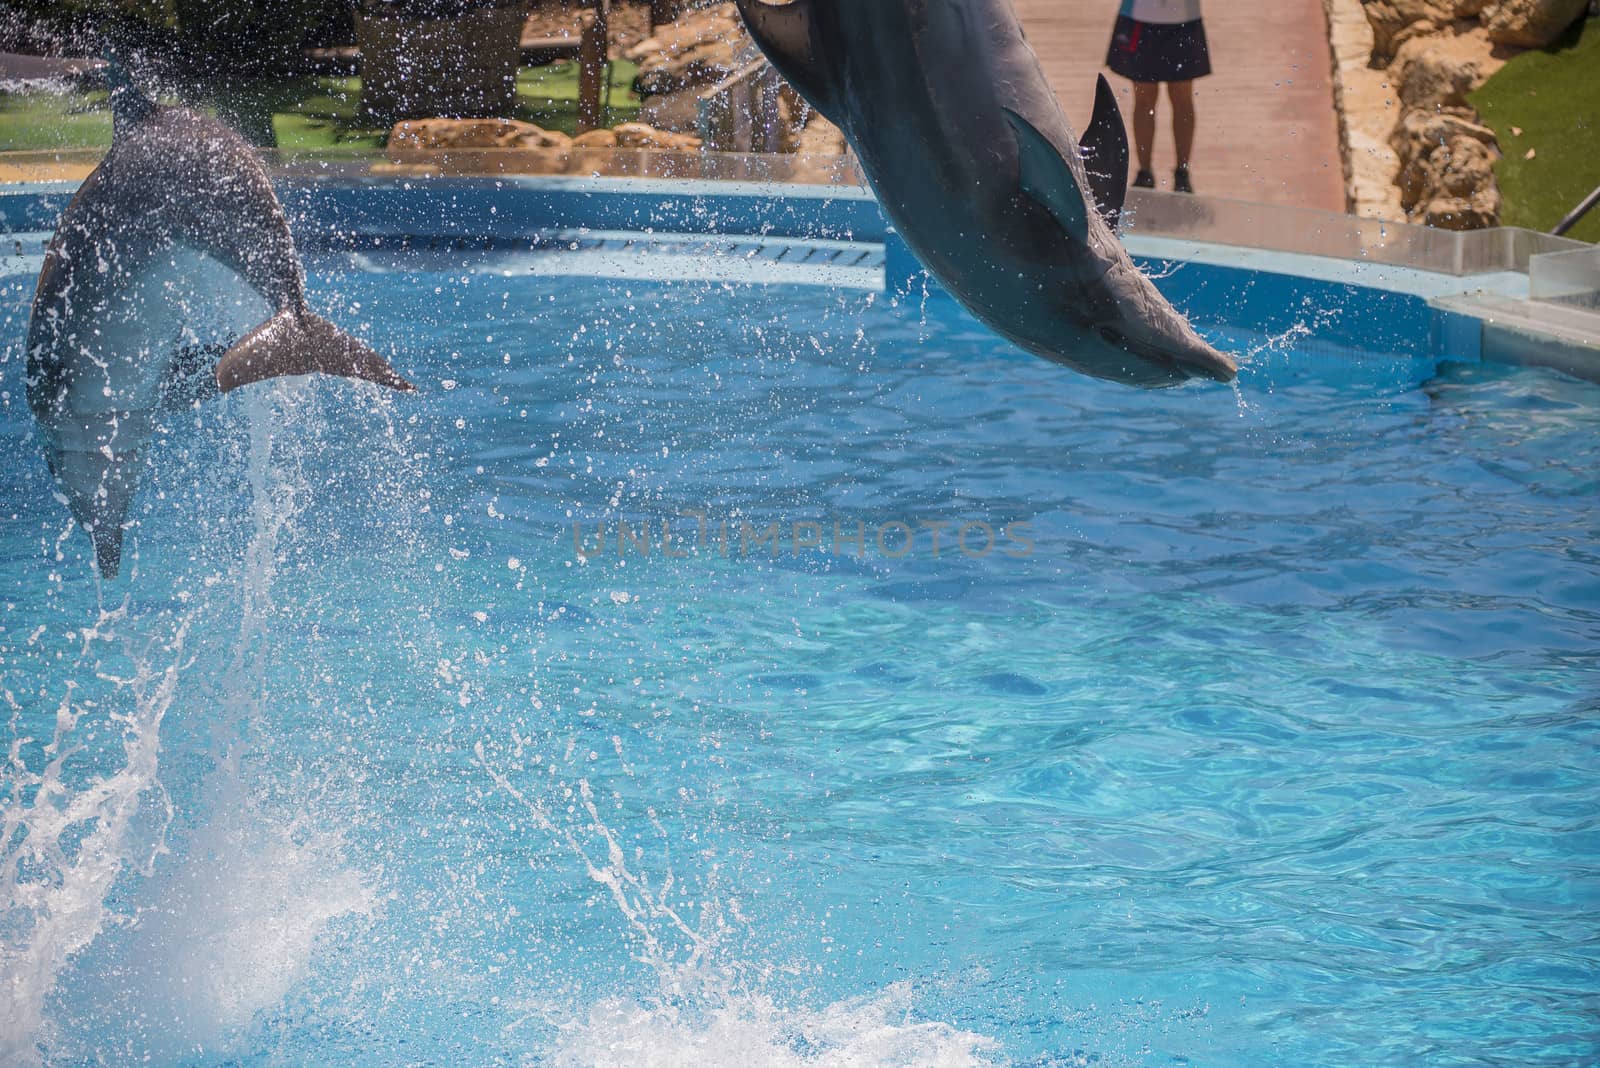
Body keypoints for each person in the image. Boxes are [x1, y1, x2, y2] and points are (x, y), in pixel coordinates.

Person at [1104, 0, 1211, 193]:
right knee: (1144, 99)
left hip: (1184, 20)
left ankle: (1182, 173)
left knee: (1181, 98)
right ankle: (1144, 173)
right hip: (1140, 18)